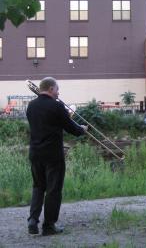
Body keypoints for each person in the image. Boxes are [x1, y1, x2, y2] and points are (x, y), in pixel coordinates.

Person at [26, 77, 88, 236]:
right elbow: (71, 128)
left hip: (35, 153)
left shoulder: (31, 106)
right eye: (57, 89)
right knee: (53, 190)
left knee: (38, 187)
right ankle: (48, 226)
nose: (58, 92)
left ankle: (32, 220)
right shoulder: (57, 106)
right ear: (51, 89)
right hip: (53, 155)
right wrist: (82, 129)